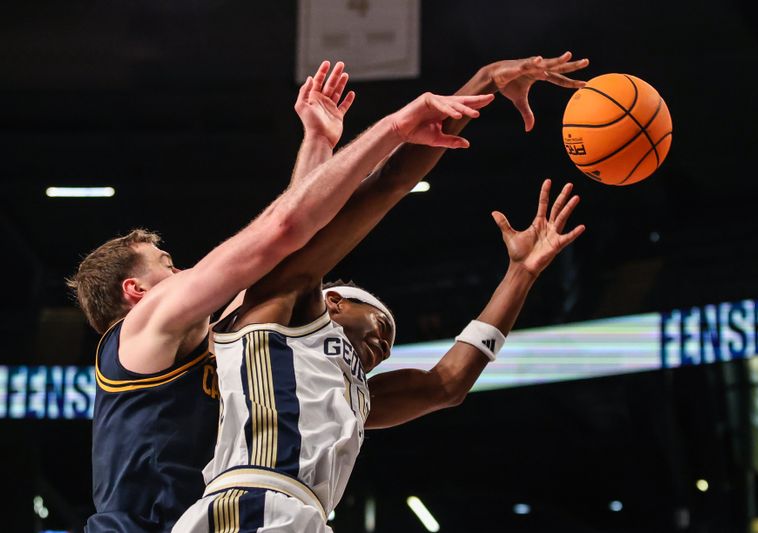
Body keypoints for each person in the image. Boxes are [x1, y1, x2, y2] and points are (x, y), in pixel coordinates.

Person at [69, 58, 494, 532]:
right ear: (137, 291)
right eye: (170, 266)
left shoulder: (211, 341)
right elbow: (283, 230)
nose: (187, 270)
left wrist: (318, 143)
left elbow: (292, 257)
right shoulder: (149, 324)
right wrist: (395, 127)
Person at [172, 53, 589, 532]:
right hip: (251, 504)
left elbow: (447, 385)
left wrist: (521, 274)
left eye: (389, 340)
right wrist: (483, 81)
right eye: (381, 324)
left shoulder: (354, 396)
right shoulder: (279, 308)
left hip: (301, 516)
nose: (387, 344)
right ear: (333, 301)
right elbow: (379, 189)